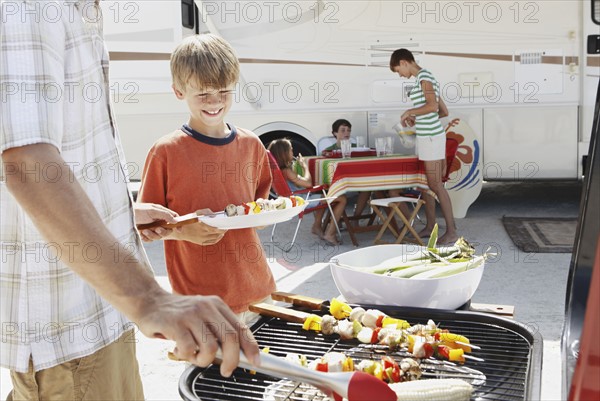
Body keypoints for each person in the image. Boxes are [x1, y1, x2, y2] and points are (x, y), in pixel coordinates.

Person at [0, 5, 259, 401]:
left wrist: (123, 214)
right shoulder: (33, 9)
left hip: (99, 318)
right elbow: (28, 164)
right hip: (70, 333)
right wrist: (150, 298)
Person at [137, 34, 276, 321]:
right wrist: (183, 230)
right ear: (178, 91)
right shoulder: (165, 152)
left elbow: (260, 208)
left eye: (224, 91)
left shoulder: (251, 145)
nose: (214, 102)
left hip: (258, 291)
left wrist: (264, 215)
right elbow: (144, 227)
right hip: (198, 303)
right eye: (202, 94)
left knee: (262, 366)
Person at [389, 48, 458, 244]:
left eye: (398, 70)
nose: (400, 75)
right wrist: (416, 118)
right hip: (428, 137)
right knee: (428, 185)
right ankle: (430, 226)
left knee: (436, 185)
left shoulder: (424, 76)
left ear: (404, 62)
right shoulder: (424, 79)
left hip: (431, 139)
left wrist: (409, 111)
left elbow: (432, 106)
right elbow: (442, 110)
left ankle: (451, 231)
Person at [268, 138, 347, 245]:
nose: (293, 152)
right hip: (300, 201)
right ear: (284, 154)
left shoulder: (274, 170)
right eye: (291, 150)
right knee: (342, 199)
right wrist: (304, 167)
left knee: (322, 197)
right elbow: (308, 183)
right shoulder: (287, 171)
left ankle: (317, 226)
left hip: (289, 200)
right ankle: (330, 234)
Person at [322, 119, 372, 219]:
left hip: (355, 180)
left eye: (348, 130)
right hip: (337, 182)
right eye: (343, 130)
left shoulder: (357, 148)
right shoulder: (328, 150)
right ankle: (338, 219)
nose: (347, 133)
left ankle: (356, 218)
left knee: (368, 188)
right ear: (335, 133)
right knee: (336, 190)